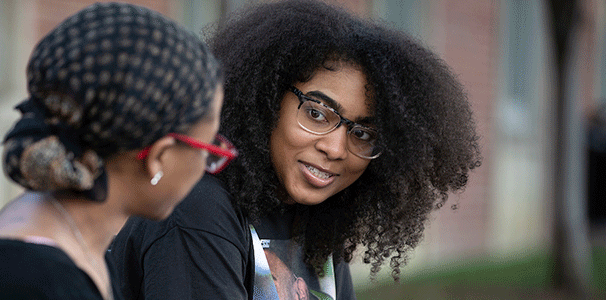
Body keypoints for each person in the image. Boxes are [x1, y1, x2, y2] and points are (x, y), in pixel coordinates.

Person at [108, 0, 482, 299]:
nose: (336, 149)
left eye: (364, 134)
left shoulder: (316, 221)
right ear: (267, 100)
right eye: (317, 113)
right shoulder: (196, 207)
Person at [0, 3, 233, 300]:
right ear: (159, 156)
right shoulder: (31, 279)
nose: (206, 164)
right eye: (209, 149)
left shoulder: (72, 248)